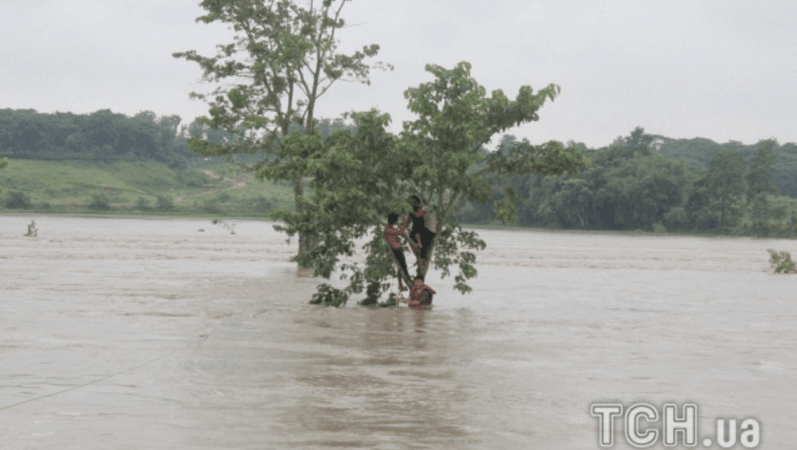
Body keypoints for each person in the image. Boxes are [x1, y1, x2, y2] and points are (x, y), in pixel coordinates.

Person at [408, 195, 436, 276]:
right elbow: (408, 222)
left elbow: (418, 215)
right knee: (413, 233)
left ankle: (419, 246)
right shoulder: (416, 210)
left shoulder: (425, 208)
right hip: (422, 232)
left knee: (417, 224)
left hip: (428, 233)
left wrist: (411, 211)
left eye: (414, 202)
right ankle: (419, 257)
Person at [383, 212, 411, 290]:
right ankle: (406, 282)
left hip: (398, 249)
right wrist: (405, 223)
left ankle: (401, 285)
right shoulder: (387, 229)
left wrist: (403, 227)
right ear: (394, 221)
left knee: (402, 267)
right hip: (396, 250)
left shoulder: (391, 229)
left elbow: (401, 234)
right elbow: (401, 233)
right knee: (403, 267)